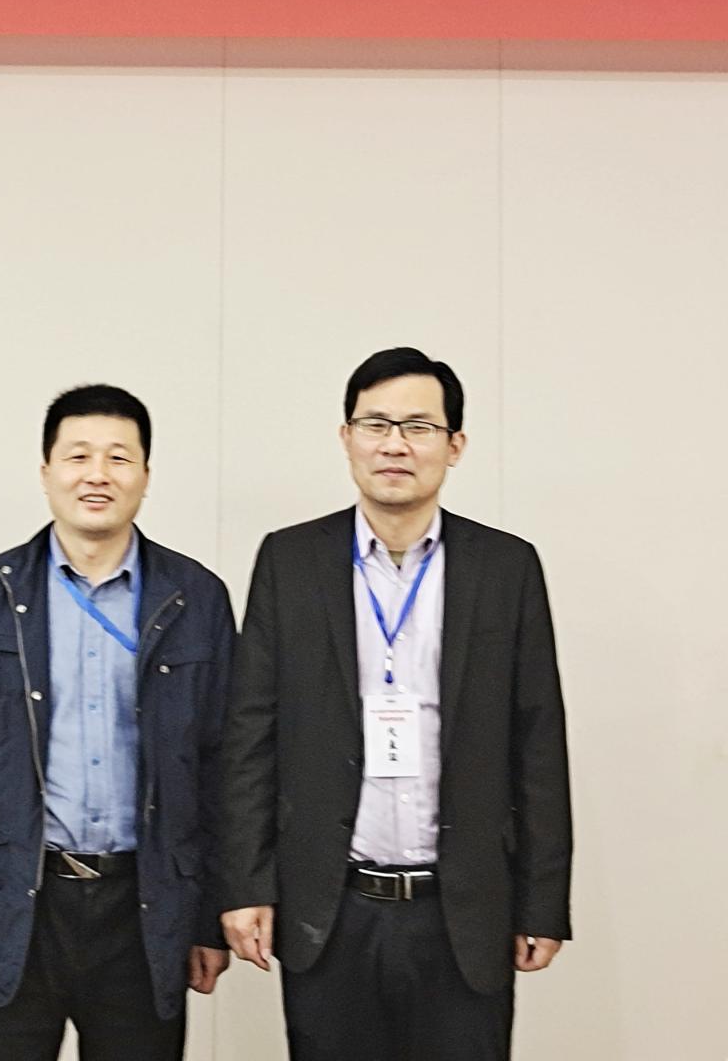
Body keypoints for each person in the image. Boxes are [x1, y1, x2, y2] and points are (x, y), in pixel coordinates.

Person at [219, 347, 572, 1061]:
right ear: (346, 437)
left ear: (455, 445)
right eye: (375, 424)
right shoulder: (291, 561)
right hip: (332, 907)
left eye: (418, 426)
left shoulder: (506, 567)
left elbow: (538, 741)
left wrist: (543, 900)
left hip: (462, 909)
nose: (395, 444)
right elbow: (251, 734)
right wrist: (245, 883)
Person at [0, 384, 235, 1060]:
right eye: (78, 456)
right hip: (11, 904)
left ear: (146, 474)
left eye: (119, 457)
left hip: (143, 908)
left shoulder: (195, 596)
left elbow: (222, 765)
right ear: (46, 471)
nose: (97, 474)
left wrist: (209, 915)